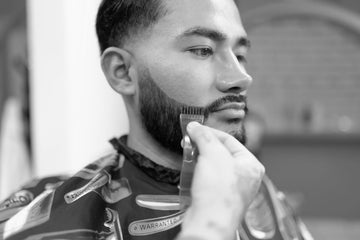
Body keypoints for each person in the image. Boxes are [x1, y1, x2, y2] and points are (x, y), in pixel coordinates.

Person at [0, 0, 313, 239]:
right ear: (122, 72)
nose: (241, 78)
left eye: (240, 54)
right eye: (203, 50)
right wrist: (213, 223)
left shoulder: (262, 193)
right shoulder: (42, 218)